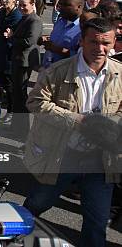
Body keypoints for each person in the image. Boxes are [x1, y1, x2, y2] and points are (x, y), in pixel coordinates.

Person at [23, 17, 121, 247]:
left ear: (114, 42)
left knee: (96, 223)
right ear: (81, 42)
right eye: (94, 42)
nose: (100, 49)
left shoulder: (119, 73)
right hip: (62, 156)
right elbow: (36, 102)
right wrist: (77, 120)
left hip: (100, 162)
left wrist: (109, 125)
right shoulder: (58, 71)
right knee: (35, 205)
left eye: (106, 43)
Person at [5, 0, 42, 139]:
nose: (21, 7)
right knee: (17, 95)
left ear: (33, 5)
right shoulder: (25, 18)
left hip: (24, 61)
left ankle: (22, 130)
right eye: (20, 5)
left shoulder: (35, 20)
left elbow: (29, 41)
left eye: (24, 5)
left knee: (21, 96)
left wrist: (12, 37)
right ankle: (16, 127)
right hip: (18, 59)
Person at [0, 0, 22, 123]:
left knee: (9, 86)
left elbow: (7, 30)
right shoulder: (2, 12)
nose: (4, 1)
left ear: (14, 0)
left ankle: (10, 111)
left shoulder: (17, 15)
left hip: (9, 54)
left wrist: (1, 30)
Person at [40, 0, 84, 68]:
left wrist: (58, 50)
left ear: (79, 7)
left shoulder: (83, 28)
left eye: (66, 5)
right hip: (47, 69)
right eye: (61, 4)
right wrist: (46, 39)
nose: (61, 7)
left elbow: (82, 55)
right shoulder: (60, 21)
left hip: (65, 73)